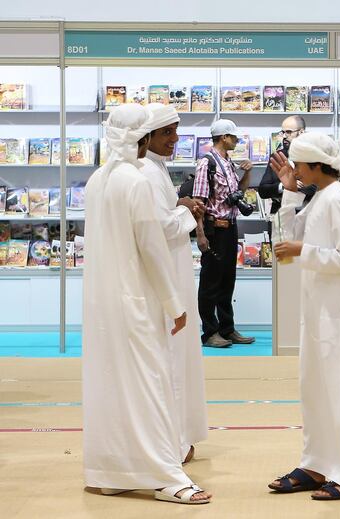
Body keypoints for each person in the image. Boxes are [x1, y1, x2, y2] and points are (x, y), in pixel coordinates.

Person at [82, 104, 211, 505]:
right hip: (135, 298)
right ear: (141, 138)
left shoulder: (95, 180)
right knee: (151, 383)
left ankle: (111, 471)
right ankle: (166, 477)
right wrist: (175, 304)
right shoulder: (135, 182)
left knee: (109, 382)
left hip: (101, 303)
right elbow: (153, 250)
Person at [267, 132, 340, 501]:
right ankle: (317, 462)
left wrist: (305, 250)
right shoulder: (321, 198)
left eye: (299, 165)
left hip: (336, 315)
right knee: (314, 389)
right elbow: (286, 242)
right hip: (316, 311)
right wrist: (289, 192)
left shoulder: (337, 200)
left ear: (316, 165)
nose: (295, 170)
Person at [140, 103, 209, 465]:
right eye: (167, 132)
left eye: (176, 130)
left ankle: (179, 434)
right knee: (172, 357)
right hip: (167, 278)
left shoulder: (156, 168)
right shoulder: (147, 172)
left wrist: (180, 204)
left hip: (175, 273)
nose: (175, 139)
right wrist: (185, 211)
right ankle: (174, 439)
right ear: (146, 135)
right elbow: (162, 227)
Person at [193, 119, 255, 347]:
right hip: (214, 229)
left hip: (230, 228)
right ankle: (209, 332)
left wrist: (247, 173)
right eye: (234, 137)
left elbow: (238, 192)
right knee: (210, 282)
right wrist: (200, 234)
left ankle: (227, 329)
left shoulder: (228, 163)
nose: (236, 140)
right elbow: (198, 202)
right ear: (223, 138)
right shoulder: (206, 164)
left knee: (228, 281)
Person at [257, 115, 316, 222]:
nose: (284, 136)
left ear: (301, 132)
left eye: (288, 132)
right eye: (282, 132)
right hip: (279, 217)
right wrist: (283, 186)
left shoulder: (313, 156)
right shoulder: (276, 156)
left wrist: (296, 185)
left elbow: (319, 188)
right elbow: (263, 190)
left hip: (308, 217)